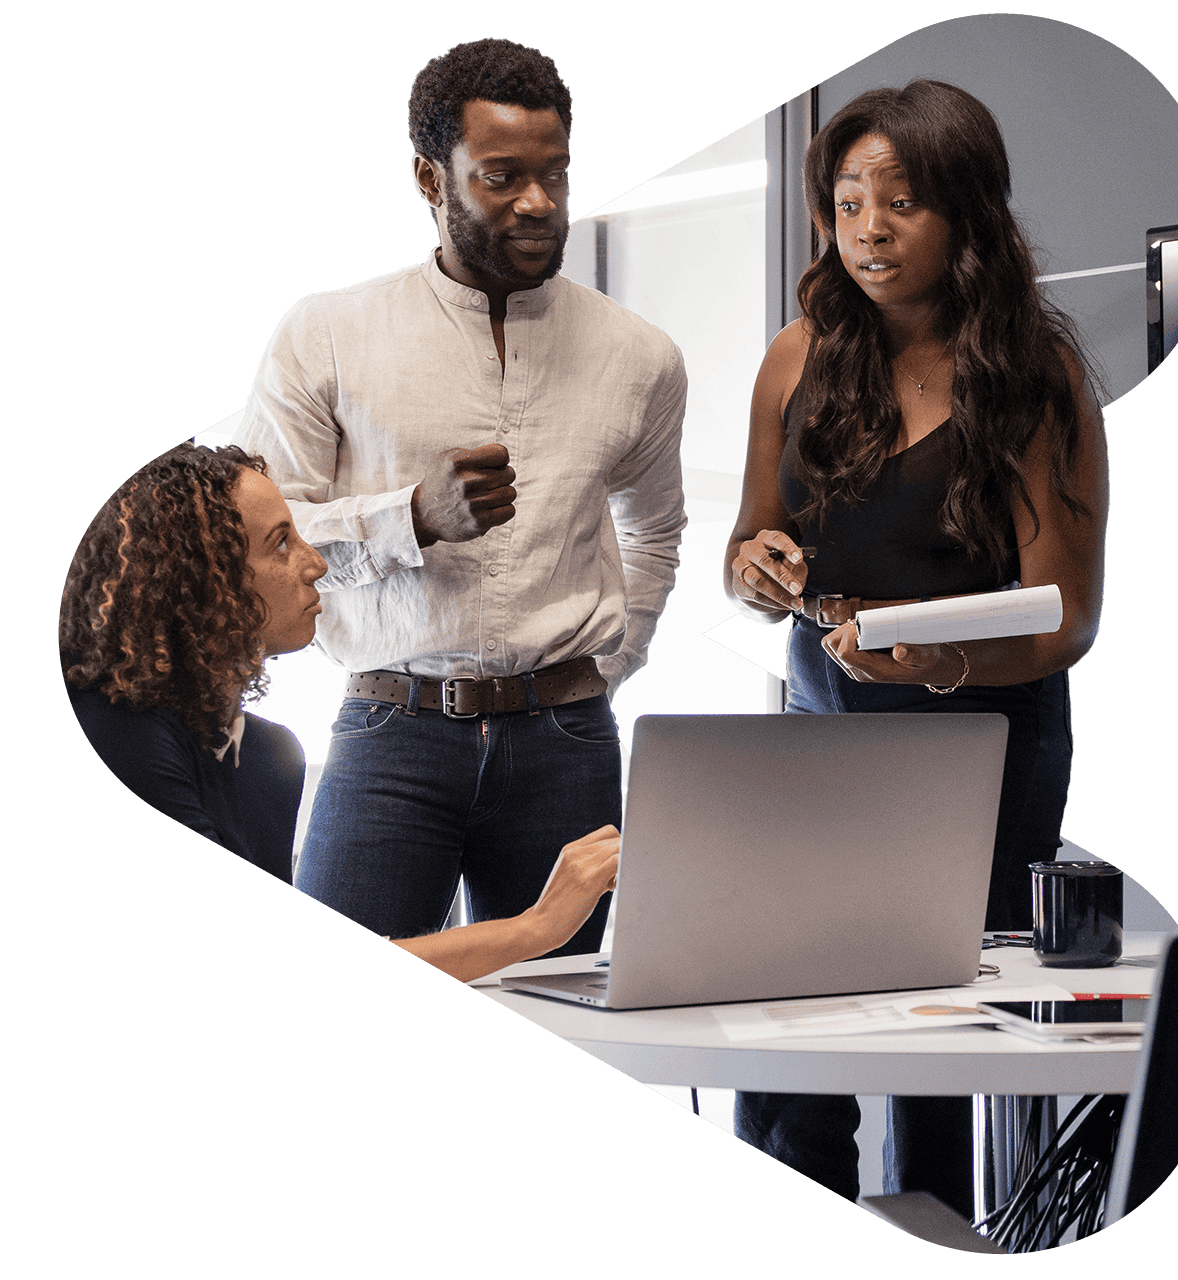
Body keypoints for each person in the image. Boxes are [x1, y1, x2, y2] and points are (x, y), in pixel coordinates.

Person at [724, 82, 1108, 1212]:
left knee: (934, 1039)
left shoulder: (1033, 372)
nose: (868, 229)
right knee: (791, 1025)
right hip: (820, 729)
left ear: (965, 215)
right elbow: (746, 548)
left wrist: (937, 665)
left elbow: (1064, 615)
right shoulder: (792, 357)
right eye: (846, 204)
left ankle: (933, 1227)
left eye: (900, 201)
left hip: (983, 735)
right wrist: (756, 569)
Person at [234, 38, 685, 954]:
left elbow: (657, 532)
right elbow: (257, 539)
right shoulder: (326, 333)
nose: (538, 204)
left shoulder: (640, 355)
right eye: (502, 177)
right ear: (431, 182)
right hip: (390, 729)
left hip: (569, 740)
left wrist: (604, 670)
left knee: (577, 1026)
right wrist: (410, 519)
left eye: (555, 175)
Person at [61, 443, 620, 983]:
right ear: (199, 579)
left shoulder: (266, 754)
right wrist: (539, 927)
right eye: (281, 544)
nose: (314, 563)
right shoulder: (110, 732)